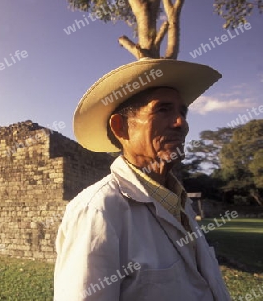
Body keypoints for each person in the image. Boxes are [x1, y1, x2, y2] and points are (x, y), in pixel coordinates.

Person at [54, 58, 232, 301]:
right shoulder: (97, 211)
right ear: (121, 128)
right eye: (163, 109)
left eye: (182, 111)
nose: (182, 123)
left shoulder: (179, 203)